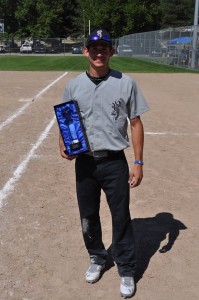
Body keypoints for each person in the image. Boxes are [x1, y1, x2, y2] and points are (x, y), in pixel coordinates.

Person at [59, 28, 149, 298]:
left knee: (121, 217)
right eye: (94, 48)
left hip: (113, 163)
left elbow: (135, 123)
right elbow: (67, 120)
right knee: (88, 216)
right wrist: (63, 143)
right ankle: (97, 257)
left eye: (104, 48)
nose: (99, 52)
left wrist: (139, 162)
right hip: (85, 164)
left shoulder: (126, 83)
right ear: (86, 51)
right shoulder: (74, 85)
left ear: (112, 51)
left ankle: (126, 269)